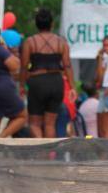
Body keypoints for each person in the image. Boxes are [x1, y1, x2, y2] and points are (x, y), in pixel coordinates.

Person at [19, 8, 78, 138]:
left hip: (37, 82)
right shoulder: (61, 42)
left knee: (34, 123)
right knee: (50, 124)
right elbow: (67, 65)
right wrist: (73, 87)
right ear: (52, 24)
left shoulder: (30, 42)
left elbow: (23, 66)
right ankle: (49, 156)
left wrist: (21, 85)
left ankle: (41, 152)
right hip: (56, 82)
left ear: (36, 24)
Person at [0, 23, 28, 138]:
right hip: (4, 90)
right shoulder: (0, 50)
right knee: (22, 115)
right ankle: (2, 137)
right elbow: (15, 66)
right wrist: (6, 49)